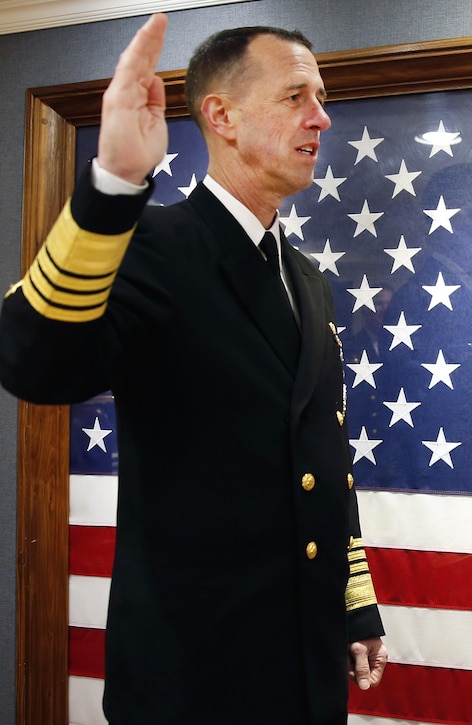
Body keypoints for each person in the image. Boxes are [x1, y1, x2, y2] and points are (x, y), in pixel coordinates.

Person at [0, 14, 388, 725]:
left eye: (322, 96)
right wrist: (115, 181)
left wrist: (352, 600)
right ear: (223, 116)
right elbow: (33, 362)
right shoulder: (153, 246)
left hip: (303, 659)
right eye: (297, 95)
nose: (322, 118)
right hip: (197, 675)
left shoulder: (306, 278)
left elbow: (321, 452)